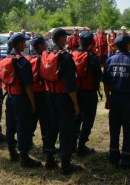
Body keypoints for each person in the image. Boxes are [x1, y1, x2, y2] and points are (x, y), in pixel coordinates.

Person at [103, 34, 130, 169]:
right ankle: (126, 160)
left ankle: (113, 156)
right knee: (128, 129)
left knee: (114, 128)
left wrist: (108, 99)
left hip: (114, 99)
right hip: (128, 100)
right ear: (127, 45)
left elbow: (106, 83)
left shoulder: (110, 60)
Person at [44, 28, 81, 175]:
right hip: (62, 98)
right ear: (60, 39)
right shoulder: (65, 57)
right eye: (65, 38)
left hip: (49, 96)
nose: (67, 40)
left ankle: (49, 159)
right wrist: (76, 104)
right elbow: (70, 85)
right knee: (66, 130)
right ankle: (65, 164)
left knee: (51, 128)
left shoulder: (46, 54)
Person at [3, 33, 41, 168]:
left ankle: (12, 152)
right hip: (21, 99)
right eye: (23, 43)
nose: (25, 45)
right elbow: (28, 85)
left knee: (10, 125)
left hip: (9, 97)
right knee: (23, 127)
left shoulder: (6, 58)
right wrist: (33, 103)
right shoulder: (22, 62)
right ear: (19, 44)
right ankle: (24, 158)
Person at [72, 31, 102, 156]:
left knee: (75, 119)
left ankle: (72, 144)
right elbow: (99, 77)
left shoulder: (72, 55)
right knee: (88, 120)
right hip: (89, 94)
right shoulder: (93, 58)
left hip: (75, 93)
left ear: (79, 41)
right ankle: (81, 146)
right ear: (92, 43)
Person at [26, 37, 48, 152]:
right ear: (40, 46)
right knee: (45, 120)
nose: (46, 45)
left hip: (30, 94)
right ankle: (46, 145)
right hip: (42, 94)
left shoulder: (28, 58)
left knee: (31, 119)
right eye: (45, 43)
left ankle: (28, 141)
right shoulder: (45, 59)